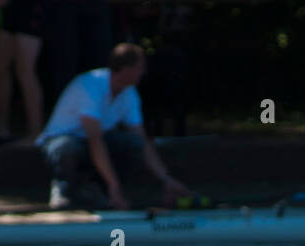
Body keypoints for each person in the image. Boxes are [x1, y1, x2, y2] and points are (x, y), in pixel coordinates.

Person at [35, 42, 190, 210]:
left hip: (90, 143)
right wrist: (114, 185)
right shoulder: (92, 84)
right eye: (139, 67)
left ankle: (98, 190)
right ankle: (64, 188)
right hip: (61, 141)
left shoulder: (129, 93)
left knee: (132, 143)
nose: (143, 72)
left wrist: (166, 180)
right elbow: (95, 139)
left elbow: (141, 140)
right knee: (68, 148)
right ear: (125, 68)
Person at [0, 0, 52, 143]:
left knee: (25, 68)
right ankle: (0, 126)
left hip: (32, 0)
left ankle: (36, 131)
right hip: (12, 2)